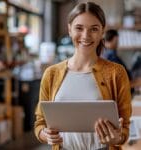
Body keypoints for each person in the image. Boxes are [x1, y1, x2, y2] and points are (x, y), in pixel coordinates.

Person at [34, 2, 132, 150]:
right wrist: (45, 134)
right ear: (69, 29)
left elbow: (124, 127)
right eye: (79, 28)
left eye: (94, 29)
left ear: (102, 32)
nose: (86, 36)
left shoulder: (116, 73)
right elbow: (40, 123)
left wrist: (117, 138)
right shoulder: (51, 74)